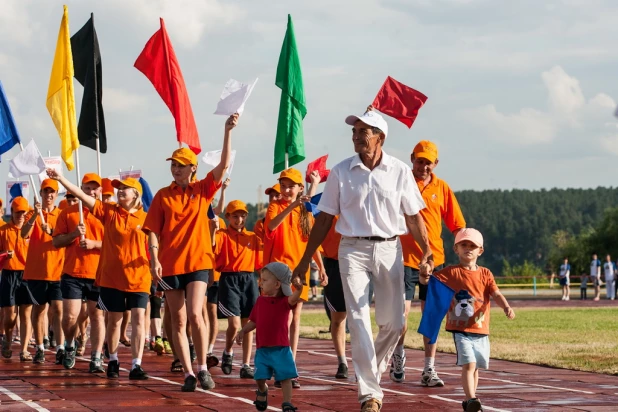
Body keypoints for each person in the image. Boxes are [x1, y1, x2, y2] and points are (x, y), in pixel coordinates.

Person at [292, 110, 432, 412]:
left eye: (362, 132)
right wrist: (305, 260)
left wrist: (427, 249)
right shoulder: (342, 172)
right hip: (351, 249)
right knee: (357, 317)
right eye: (354, 132)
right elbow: (325, 218)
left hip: (389, 248)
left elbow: (413, 215)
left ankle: (371, 372)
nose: (356, 137)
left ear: (380, 137)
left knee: (395, 323)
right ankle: (370, 393)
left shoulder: (398, 171)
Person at [143, 114, 238, 392]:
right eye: (173, 165)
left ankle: (202, 368)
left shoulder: (203, 190)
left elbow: (223, 166)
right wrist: (154, 259)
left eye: (181, 165)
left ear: (193, 169)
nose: (176, 169)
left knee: (196, 314)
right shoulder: (162, 195)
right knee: (179, 319)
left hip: (197, 262)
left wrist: (227, 130)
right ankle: (187, 372)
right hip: (171, 265)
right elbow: (152, 231)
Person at [49, 171, 151, 380]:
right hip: (111, 277)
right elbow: (82, 196)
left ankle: (135, 365)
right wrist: (61, 180)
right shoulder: (109, 211)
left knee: (138, 319)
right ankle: (112, 359)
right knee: (113, 320)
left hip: (139, 278)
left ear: (136, 194)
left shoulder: (146, 218)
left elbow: (156, 243)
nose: (119, 191)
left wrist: (157, 263)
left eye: (125, 189)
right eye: (118, 188)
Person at [393, 140, 465, 386]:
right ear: (412, 158)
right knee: (401, 316)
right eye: (419, 160)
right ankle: (399, 356)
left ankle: (429, 368)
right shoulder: (401, 183)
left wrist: (465, 252)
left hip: (435, 262)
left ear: (436, 163)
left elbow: (457, 225)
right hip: (402, 259)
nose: (423, 166)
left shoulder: (442, 188)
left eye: (428, 162)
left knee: (432, 316)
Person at [419, 228, 515, 412]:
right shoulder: (451, 272)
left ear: (480, 250)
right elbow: (429, 283)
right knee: (469, 364)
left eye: (472, 245)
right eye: (464, 245)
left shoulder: (486, 274)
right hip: (460, 329)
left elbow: (496, 293)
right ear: (456, 249)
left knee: (476, 366)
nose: (468, 249)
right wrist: (424, 275)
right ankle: (471, 398)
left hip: (481, 329)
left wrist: (506, 307)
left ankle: (470, 400)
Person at [263, 168, 326, 389]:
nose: (286, 189)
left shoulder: (305, 212)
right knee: (282, 320)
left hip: (300, 270)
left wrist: (321, 267)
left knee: (295, 319)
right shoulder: (275, 206)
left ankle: (290, 368)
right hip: (279, 271)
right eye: (283, 185)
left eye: (291, 186)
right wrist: (291, 206)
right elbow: (271, 226)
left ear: (300, 188)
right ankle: (281, 368)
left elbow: (312, 241)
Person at [52, 173, 105, 372]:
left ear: (100, 190)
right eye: (87, 188)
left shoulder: (106, 213)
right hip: (72, 273)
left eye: (94, 188)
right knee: (70, 317)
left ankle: (97, 356)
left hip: (99, 273)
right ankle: (69, 345)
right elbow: (56, 242)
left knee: (97, 316)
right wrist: (74, 234)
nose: (91, 191)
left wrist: (94, 244)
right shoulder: (67, 213)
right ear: (80, 189)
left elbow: (116, 243)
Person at [236, 262, 303, 412]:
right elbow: (253, 321)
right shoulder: (260, 301)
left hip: (282, 350)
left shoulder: (285, 302)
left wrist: (299, 288)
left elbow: (294, 299)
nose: (260, 283)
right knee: (259, 377)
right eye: (261, 279)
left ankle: (287, 402)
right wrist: (243, 331)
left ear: (277, 284)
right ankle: (262, 389)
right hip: (263, 350)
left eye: (265, 280)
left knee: (286, 378)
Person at [214, 200, 262, 379]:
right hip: (229, 280)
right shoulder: (222, 235)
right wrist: (212, 227)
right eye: (235, 216)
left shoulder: (252, 238)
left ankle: (246, 364)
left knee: (248, 325)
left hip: (249, 280)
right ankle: (227, 352)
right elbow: (213, 245)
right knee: (234, 325)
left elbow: (260, 263)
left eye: (242, 216)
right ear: (227, 217)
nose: (239, 219)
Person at [20, 179, 65, 365]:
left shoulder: (62, 215)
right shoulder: (33, 213)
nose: (49, 195)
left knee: (59, 310)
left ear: (56, 194)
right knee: (39, 310)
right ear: (40, 194)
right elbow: (23, 234)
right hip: (38, 271)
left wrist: (52, 230)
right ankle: (39, 348)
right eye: (46, 191)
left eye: (52, 191)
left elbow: (66, 237)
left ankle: (61, 347)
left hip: (58, 269)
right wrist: (34, 216)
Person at [0, 197, 31, 360]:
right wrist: (4, 255)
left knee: (26, 313)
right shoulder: (3, 230)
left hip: (27, 275)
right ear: (11, 212)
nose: (20, 215)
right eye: (17, 212)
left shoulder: (32, 230)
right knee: (10, 315)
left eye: (23, 212)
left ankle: (24, 349)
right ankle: (7, 339)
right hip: (9, 274)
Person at [320, 214, 348, 379]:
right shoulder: (325, 206)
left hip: (358, 261)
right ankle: (342, 362)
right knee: (337, 318)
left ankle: (362, 361)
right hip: (334, 263)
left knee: (359, 315)